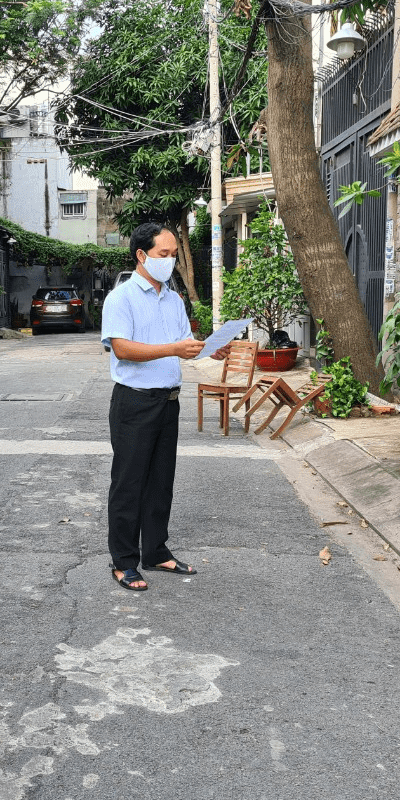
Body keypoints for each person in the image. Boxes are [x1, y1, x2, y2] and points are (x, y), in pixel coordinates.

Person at [101, 221, 228, 592]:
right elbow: (121, 348)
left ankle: (155, 551)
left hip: (168, 402)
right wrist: (175, 349)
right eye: (163, 254)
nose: (170, 261)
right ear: (141, 255)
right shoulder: (121, 298)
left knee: (160, 481)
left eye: (173, 255)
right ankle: (123, 561)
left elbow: (182, 342)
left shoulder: (173, 298)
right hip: (134, 402)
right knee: (129, 483)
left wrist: (208, 347)